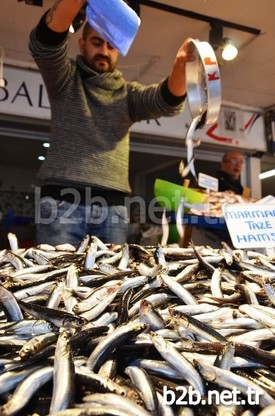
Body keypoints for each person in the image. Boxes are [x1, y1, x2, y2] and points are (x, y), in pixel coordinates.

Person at [29, 0, 196, 246]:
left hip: (113, 208)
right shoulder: (65, 78)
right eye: (97, 42)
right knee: (57, 281)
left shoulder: (128, 95)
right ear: (83, 43)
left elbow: (166, 101)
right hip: (61, 204)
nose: (105, 51)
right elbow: (45, 44)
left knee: (112, 284)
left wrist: (181, 65)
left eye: (111, 45)